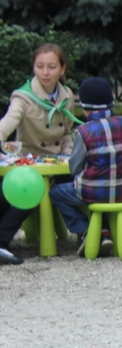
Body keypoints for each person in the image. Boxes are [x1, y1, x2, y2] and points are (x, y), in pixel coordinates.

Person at [0, 44, 82, 264]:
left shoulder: (67, 95)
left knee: (81, 181)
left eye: (52, 67)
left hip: (58, 163)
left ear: (62, 69)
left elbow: (67, 132)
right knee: (25, 190)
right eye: (39, 66)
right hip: (28, 164)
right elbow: (10, 120)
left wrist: (67, 155)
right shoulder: (23, 96)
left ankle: (92, 232)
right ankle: (1, 241)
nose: (45, 72)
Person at [49, 77, 122, 254]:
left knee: (56, 193)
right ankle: (104, 231)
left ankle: (85, 230)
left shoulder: (84, 131)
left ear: (84, 107)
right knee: (103, 191)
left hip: (92, 192)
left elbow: (74, 167)